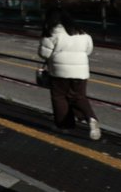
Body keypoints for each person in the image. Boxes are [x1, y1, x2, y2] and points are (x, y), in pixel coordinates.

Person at [38, 11, 100, 140]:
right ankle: (91, 118)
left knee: (59, 97)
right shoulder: (83, 33)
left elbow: (44, 54)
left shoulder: (52, 34)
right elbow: (88, 50)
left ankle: (65, 126)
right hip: (80, 71)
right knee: (79, 96)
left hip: (59, 71)